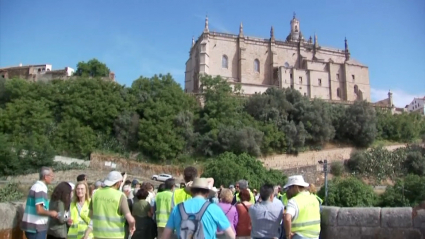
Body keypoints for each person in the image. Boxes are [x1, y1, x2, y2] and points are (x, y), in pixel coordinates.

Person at [161, 178, 236, 239]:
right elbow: (231, 235)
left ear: (191, 192)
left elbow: (165, 236)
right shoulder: (214, 208)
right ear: (207, 193)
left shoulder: (177, 208)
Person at [89, 171, 136, 239]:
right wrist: (132, 225)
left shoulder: (96, 193)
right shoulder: (120, 196)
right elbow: (130, 220)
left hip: (97, 235)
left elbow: (90, 215)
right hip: (115, 236)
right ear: (118, 182)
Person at [21, 167, 58, 239]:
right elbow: (39, 210)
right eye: (51, 176)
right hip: (36, 228)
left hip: (33, 228)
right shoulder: (40, 188)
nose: (52, 178)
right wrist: (51, 213)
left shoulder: (36, 186)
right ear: (46, 177)